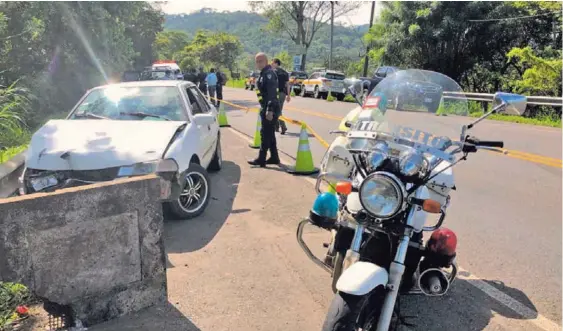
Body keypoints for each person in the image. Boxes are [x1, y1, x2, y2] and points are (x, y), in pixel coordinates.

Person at [248, 52, 280, 167]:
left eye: (260, 61)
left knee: (265, 134)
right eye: (257, 61)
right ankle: (274, 157)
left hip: (269, 108)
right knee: (270, 133)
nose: (258, 63)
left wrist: (269, 110)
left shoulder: (268, 74)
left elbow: (272, 94)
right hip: (265, 107)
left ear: (266, 61)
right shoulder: (263, 74)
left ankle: (261, 159)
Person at [271, 58, 290, 134]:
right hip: (283, 94)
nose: (272, 64)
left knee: (277, 111)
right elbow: (288, 85)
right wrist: (288, 95)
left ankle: (283, 126)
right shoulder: (285, 73)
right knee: (278, 110)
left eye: (272, 63)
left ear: (276, 63)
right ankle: (276, 126)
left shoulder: (273, 72)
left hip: (276, 93)